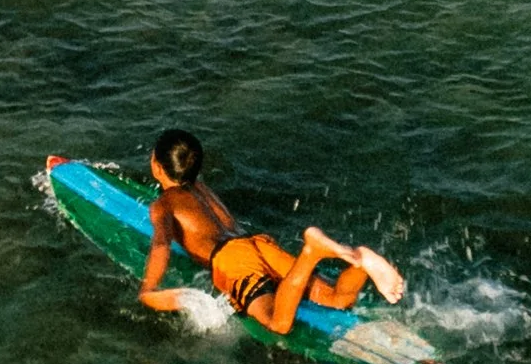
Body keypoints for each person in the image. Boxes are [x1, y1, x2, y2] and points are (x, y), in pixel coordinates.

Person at [137, 129, 405, 333]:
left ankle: (311, 251)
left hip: (233, 262)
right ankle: (360, 262)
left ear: (157, 166)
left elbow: (161, 244)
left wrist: (149, 288)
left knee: (278, 322)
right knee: (337, 298)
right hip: (257, 244)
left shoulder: (163, 205)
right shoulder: (203, 189)